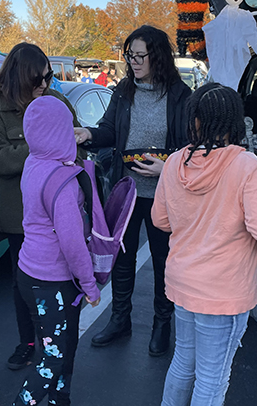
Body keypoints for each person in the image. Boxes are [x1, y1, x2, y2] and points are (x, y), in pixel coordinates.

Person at [153, 83, 257, 405]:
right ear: (234, 120)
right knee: (213, 377)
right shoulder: (247, 165)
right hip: (223, 292)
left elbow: (161, 220)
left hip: (183, 282)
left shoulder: (174, 162)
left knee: (183, 362)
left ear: (193, 120)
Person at [74, 25, 192, 356]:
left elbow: (188, 147)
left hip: (163, 195)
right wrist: (89, 135)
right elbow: (110, 131)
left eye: (140, 55)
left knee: (163, 261)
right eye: (130, 55)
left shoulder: (180, 95)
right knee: (122, 260)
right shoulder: (124, 90)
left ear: (158, 56)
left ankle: (161, 325)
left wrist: (166, 165)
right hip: (126, 193)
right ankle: (119, 320)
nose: (134, 61)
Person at [0, 43, 85, 371]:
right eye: (37, 79)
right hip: (18, 218)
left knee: (63, 283)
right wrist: (38, 146)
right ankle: (28, 343)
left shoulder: (57, 101)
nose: (44, 85)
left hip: (60, 212)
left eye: (48, 77)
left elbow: (75, 145)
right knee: (22, 284)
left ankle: (58, 341)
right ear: (19, 78)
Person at [12, 95, 100, 406]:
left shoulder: (33, 162)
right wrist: (90, 285)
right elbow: (73, 242)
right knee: (54, 357)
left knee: (57, 348)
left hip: (28, 273)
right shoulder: (65, 182)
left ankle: (59, 401)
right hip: (54, 282)